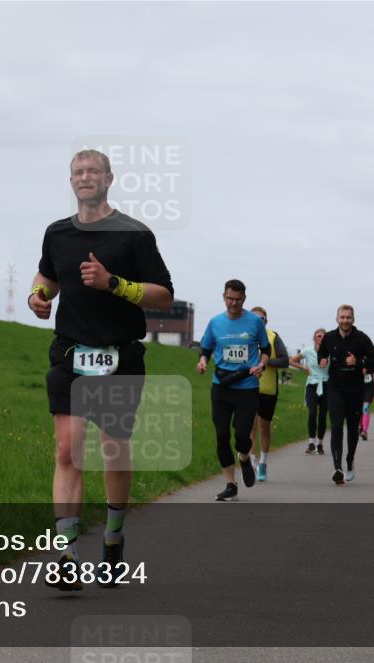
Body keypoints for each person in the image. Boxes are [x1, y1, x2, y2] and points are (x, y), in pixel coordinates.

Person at [29, 149, 174, 590]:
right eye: (78, 172)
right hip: (70, 354)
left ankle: (113, 539)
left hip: (119, 356)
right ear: (70, 180)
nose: (85, 177)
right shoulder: (57, 233)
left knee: (114, 451)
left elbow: (163, 295)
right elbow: (48, 275)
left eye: (93, 171)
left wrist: (115, 283)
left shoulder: (133, 235)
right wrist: (39, 295)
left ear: (109, 178)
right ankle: (66, 553)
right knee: (67, 450)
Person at [197, 280, 270, 501]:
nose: (233, 303)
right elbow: (206, 348)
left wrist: (262, 365)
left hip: (247, 387)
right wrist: (202, 361)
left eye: (237, 299)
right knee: (221, 434)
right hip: (221, 385)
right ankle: (230, 484)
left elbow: (265, 350)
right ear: (224, 296)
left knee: (241, 434)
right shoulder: (215, 322)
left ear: (244, 299)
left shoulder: (255, 322)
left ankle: (245, 456)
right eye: (230, 298)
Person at [318, 305, 374, 485]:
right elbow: (322, 353)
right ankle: (337, 467)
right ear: (336, 318)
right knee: (336, 426)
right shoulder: (329, 337)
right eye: (342, 317)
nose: (345, 321)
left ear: (353, 319)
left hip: (355, 389)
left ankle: (350, 460)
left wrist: (358, 362)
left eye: (348, 318)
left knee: (352, 429)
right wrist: (322, 359)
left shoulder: (362, 338)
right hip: (335, 387)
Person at [248, 307, 290, 481]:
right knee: (249, 427)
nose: (258, 322)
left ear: (266, 321)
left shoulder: (273, 337)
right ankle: (251, 461)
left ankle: (263, 463)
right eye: (254, 318)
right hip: (247, 388)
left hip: (267, 390)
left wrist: (266, 361)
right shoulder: (243, 336)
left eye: (262, 319)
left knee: (264, 427)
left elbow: (285, 360)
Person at [289, 328, 329, 455]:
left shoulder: (330, 353)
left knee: (322, 416)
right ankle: (311, 443)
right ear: (314, 338)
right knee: (312, 412)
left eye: (323, 336)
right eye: (318, 336)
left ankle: (320, 444)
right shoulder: (308, 350)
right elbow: (291, 361)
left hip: (326, 384)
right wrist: (303, 368)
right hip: (312, 384)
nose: (320, 338)